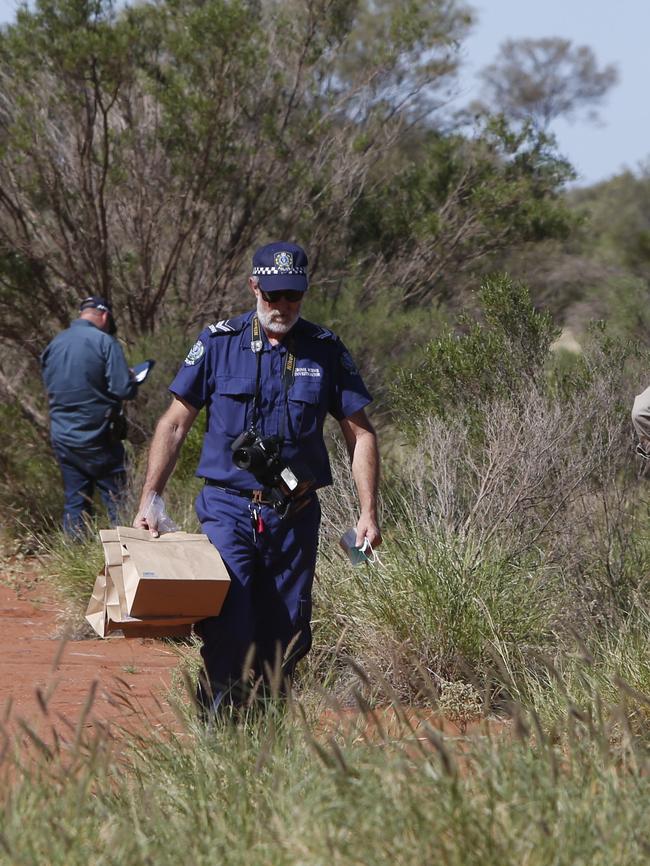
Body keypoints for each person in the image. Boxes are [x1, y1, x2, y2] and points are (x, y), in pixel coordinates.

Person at [134, 241, 381, 715]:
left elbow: (361, 433)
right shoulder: (217, 343)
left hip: (295, 513)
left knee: (285, 633)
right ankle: (219, 728)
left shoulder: (325, 349)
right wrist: (151, 497)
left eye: (293, 296)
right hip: (227, 509)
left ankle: (266, 732)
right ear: (253, 287)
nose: (283, 306)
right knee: (230, 619)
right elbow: (174, 423)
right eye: (273, 295)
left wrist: (368, 512)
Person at [41, 296, 138, 534]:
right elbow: (123, 389)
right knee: (119, 504)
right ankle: (126, 560)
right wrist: (131, 378)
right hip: (99, 437)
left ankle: (73, 564)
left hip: (63, 437)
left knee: (75, 501)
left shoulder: (54, 344)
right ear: (104, 316)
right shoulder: (104, 342)